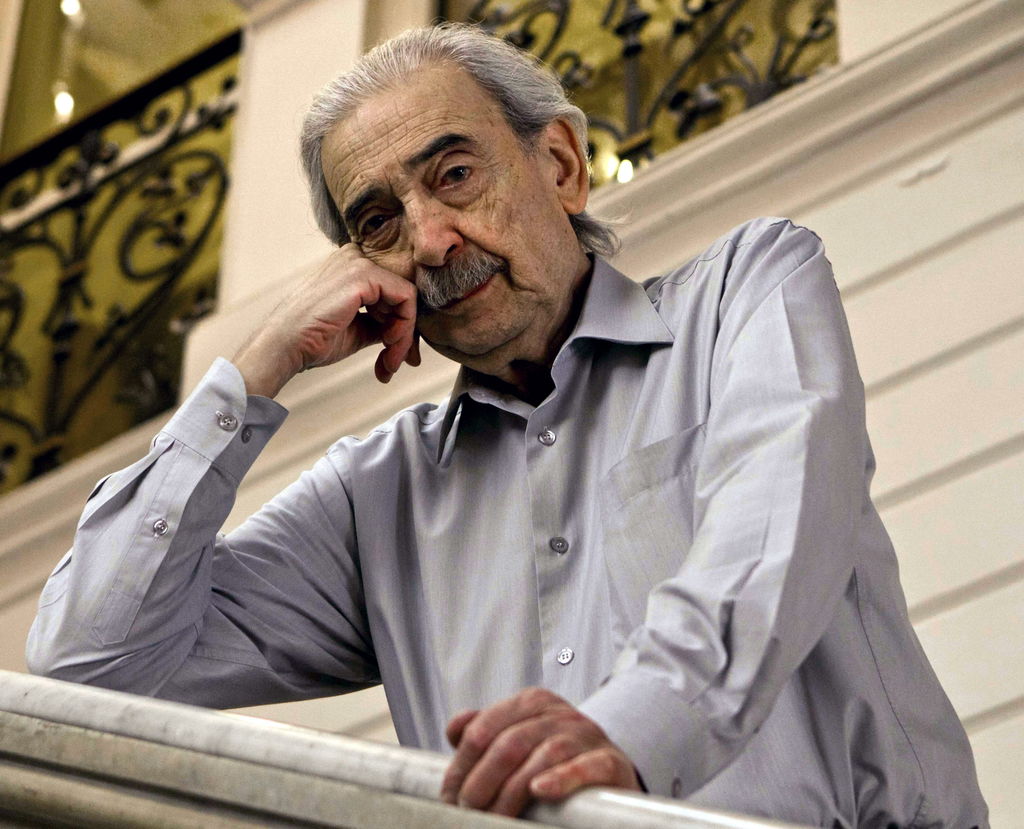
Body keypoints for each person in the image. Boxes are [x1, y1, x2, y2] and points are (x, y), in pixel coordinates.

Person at [27, 23, 987, 827]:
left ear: (560, 165)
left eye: (454, 174)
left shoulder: (747, 289)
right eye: (378, 222)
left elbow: (774, 528)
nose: (431, 240)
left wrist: (627, 730)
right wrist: (256, 366)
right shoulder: (376, 496)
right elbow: (86, 671)